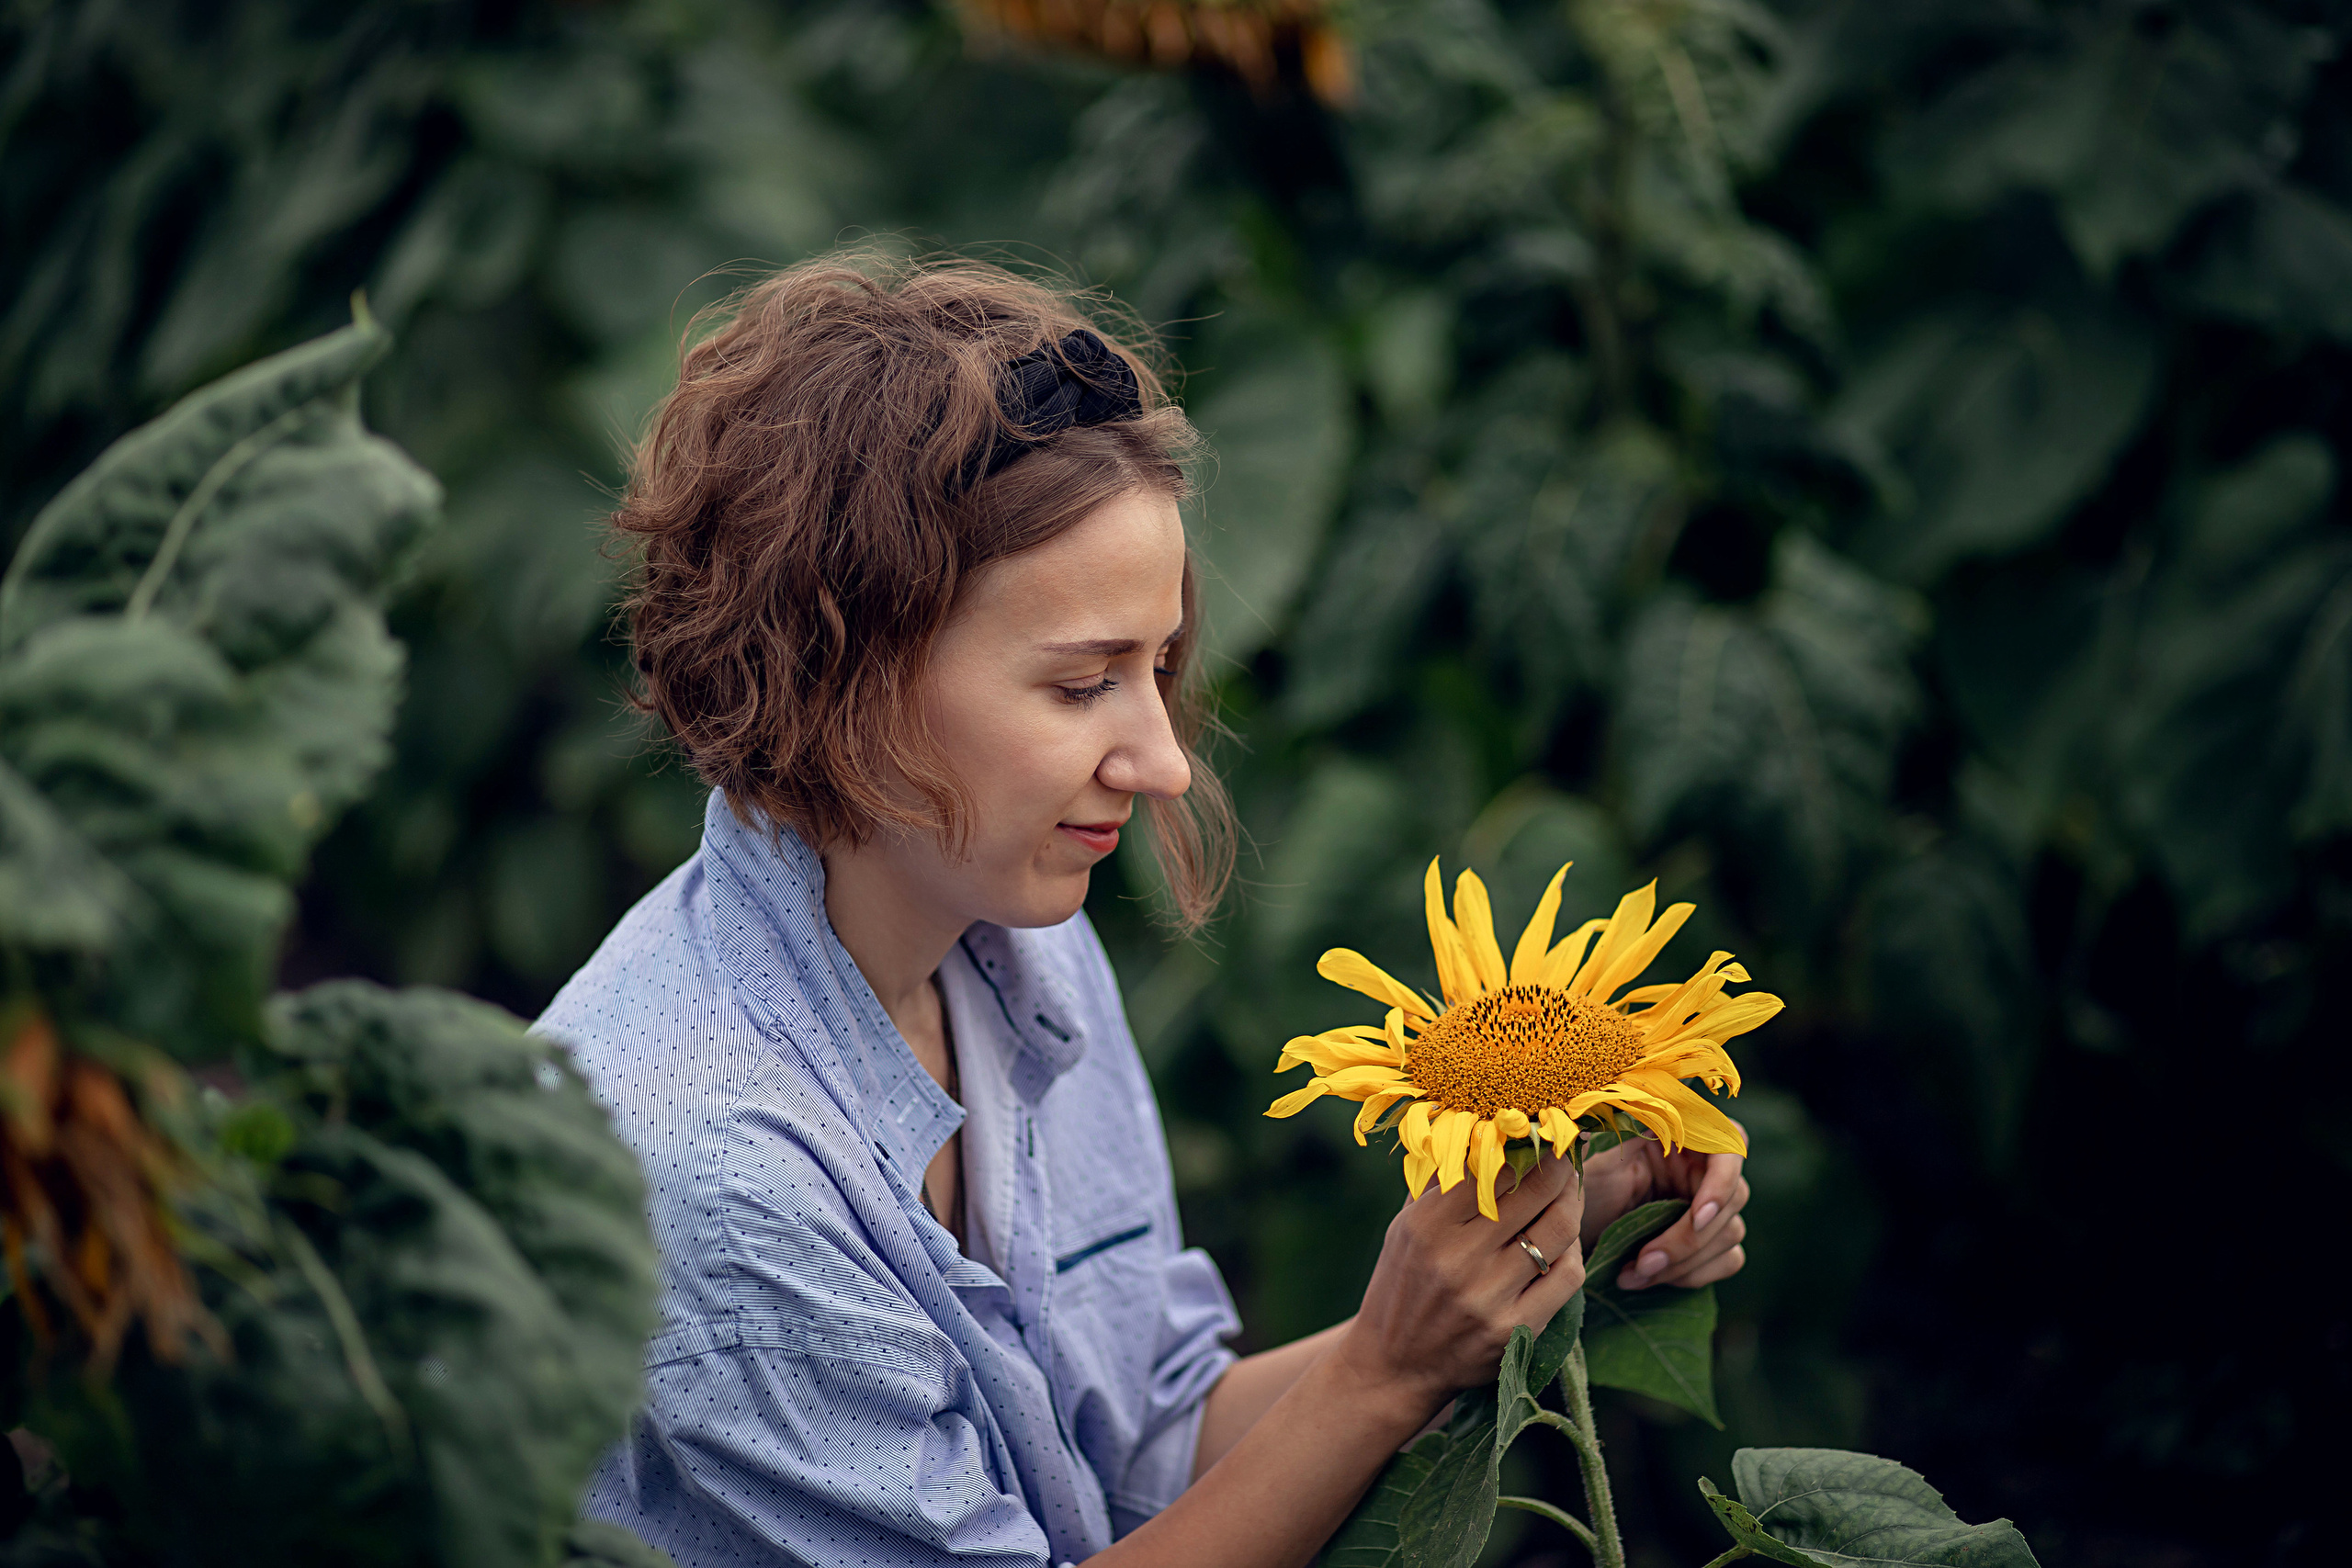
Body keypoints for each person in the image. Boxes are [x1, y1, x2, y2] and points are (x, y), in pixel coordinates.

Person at [538, 253, 1750, 1568]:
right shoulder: (716, 1176)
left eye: (1159, 669)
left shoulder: (1010, 953)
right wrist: (1384, 1377)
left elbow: (1144, 1451)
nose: (1164, 761)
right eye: (1080, 686)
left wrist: (1511, 1256)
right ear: (849, 677)